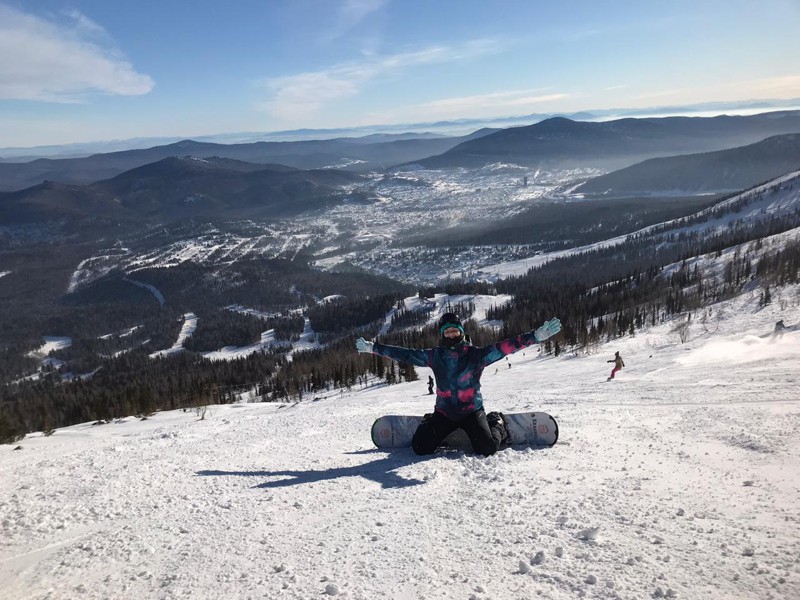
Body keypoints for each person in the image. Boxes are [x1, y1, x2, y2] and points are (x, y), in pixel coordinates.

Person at [356, 312, 561, 456]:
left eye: (455, 331)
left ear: (461, 332)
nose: (451, 334)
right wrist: (374, 348)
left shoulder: (476, 356)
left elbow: (505, 347)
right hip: (444, 414)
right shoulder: (434, 356)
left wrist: (535, 336)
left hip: (472, 412)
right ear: (442, 335)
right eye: (447, 332)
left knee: (488, 448)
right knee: (420, 448)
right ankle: (429, 422)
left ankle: (497, 421)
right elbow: (404, 354)